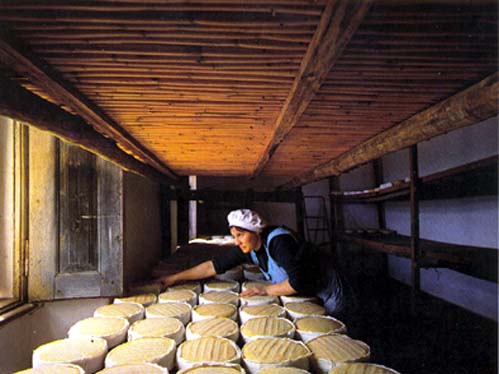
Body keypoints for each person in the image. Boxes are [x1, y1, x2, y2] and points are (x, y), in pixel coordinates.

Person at [158, 209, 353, 317]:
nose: (237, 241)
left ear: (255, 231)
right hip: (308, 286)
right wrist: (174, 278)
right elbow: (212, 266)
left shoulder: (278, 242)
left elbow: (298, 281)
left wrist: (266, 290)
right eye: (234, 236)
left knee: (336, 323)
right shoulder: (248, 248)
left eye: (240, 235)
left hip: (328, 285)